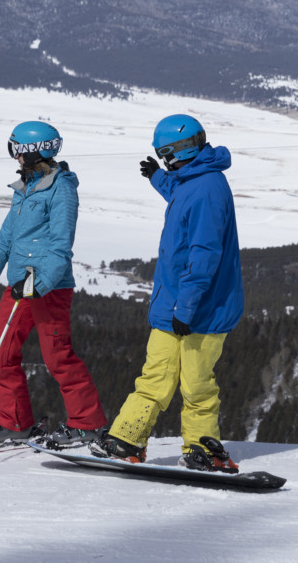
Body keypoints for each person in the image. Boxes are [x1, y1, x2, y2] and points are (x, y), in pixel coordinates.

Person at [90, 114, 244, 472]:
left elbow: (204, 255)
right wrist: (157, 179)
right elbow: (179, 193)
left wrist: (187, 308)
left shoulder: (208, 189)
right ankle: (126, 438)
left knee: (196, 384)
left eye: (164, 156)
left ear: (180, 150)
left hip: (201, 311)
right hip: (174, 305)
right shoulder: (193, 179)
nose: (163, 162)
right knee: (154, 375)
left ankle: (203, 449)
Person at [0, 120, 106, 448]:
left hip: (47, 289)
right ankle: (15, 423)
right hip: (18, 286)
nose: (14, 158)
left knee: (57, 358)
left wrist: (42, 281)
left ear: (30, 151)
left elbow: (61, 245)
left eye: (15, 150)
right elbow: (7, 238)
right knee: (0, 351)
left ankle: (87, 424)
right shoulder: (24, 188)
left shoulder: (61, 188)